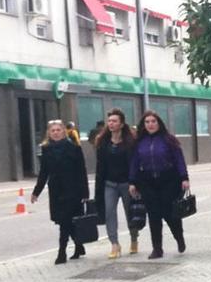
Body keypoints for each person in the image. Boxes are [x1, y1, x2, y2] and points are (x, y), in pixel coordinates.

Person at [128, 110, 189, 259]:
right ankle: (157, 248)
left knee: (169, 214)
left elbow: (179, 160)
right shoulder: (139, 142)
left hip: (168, 180)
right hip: (148, 182)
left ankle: (179, 237)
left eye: (153, 121)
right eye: (147, 122)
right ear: (143, 125)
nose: (150, 124)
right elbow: (135, 162)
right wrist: (132, 181)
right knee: (154, 216)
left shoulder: (169, 140)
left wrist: (184, 178)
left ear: (159, 123)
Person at [31, 120, 90, 265]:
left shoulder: (74, 148)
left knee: (67, 221)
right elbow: (44, 172)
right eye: (53, 131)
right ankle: (78, 245)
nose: (56, 133)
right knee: (64, 221)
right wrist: (36, 192)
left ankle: (61, 252)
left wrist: (85, 193)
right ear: (49, 133)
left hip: (73, 190)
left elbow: (81, 171)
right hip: (56, 190)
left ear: (64, 132)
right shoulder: (46, 150)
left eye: (58, 130)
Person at [94, 108, 139, 259]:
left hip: (127, 183)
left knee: (130, 213)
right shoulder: (103, 143)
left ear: (121, 124)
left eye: (114, 121)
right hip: (109, 184)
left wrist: (134, 182)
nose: (111, 124)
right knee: (109, 213)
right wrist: (98, 188)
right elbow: (100, 167)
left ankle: (134, 239)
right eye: (109, 121)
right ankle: (114, 243)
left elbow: (134, 164)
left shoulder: (130, 142)